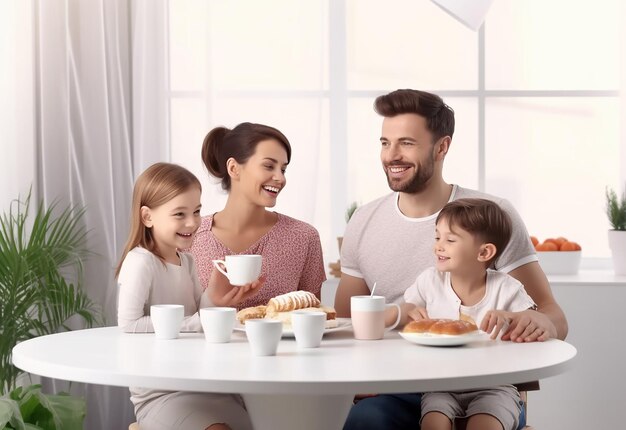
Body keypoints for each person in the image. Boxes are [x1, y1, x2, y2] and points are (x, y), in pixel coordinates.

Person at [336, 89, 568, 430]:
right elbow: (346, 322)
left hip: (485, 386)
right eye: (385, 143)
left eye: (406, 143)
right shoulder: (364, 219)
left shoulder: (490, 216)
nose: (391, 155)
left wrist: (542, 324)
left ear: (441, 147)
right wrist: (361, 376)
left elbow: (553, 316)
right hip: (396, 389)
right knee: (364, 421)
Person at [116, 162, 253, 430]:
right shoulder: (141, 262)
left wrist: (217, 296)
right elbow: (129, 324)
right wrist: (198, 322)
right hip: (161, 392)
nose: (192, 222)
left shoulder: (187, 261)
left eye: (197, 211)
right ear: (147, 217)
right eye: (179, 214)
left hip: (198, 380)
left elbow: (197, 311)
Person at [403, 198, 537, 430]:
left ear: (484, 252)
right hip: (441, 386)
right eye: (437, 237)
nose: (438, 246)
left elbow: (534, 322)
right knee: (433, 424)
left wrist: (514, 319)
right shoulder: (429, 281)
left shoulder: (507, 289)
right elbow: (405, 312)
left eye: (450, 240)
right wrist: (407, 312)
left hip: (495, 387)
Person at [190, 122, 326, 309]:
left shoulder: (304, 237)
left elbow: (313, 315)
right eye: (269, 166)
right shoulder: (191, 237)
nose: (281, 178)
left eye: (283, 169)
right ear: (234, 168)